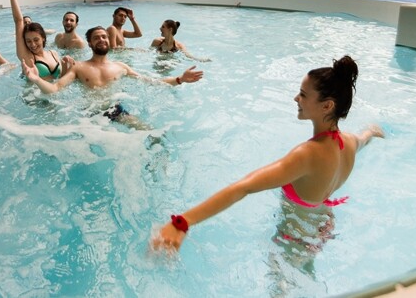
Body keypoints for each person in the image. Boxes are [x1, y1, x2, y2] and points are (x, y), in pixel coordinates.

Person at [151, 56, 383, 252]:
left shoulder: (307, 155)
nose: (296, 98)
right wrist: (372, 131)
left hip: (296, 236)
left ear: (327, 105)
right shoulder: (349, 142)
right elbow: (365, 137)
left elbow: (244, 187)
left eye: (303, 94)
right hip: (323, 224)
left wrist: (182, 222)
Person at [22, 26, 202, 116]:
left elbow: (150, 81)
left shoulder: (121, 67)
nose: (101, 39)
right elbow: (54, 89)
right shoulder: (79, 67)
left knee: (151, 134)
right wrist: (36, 79)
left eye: (104, 37)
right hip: (89, 114)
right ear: (90, 44)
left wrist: (179, 79)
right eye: (96, 38)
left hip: (115, 111)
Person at [0, 0, 71, 80]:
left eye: (36, 40)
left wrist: (66, 68)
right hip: (34, 92)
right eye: (28, 41)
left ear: (43, 38)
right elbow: (19, 21)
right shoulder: (28, 58)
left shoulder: (53, 53)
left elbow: (61, 78)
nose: (32, 44)